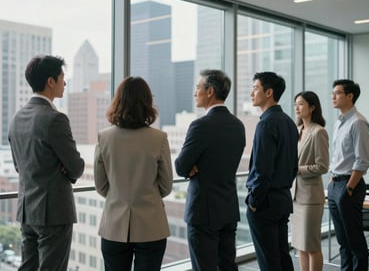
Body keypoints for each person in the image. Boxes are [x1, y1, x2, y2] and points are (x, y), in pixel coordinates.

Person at [8, 55, 85, 270]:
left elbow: (18, 165)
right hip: (53, 212)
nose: (65, 83)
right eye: (62, 77)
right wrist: (65, 171)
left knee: (28, 267)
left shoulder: (17, 117)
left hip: (26, 210)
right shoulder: (55, 118)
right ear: (50, 81)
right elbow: (76, 167)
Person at [94, 76, 173, 271]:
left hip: (114, 225)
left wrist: (118, 196)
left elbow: (101, 185)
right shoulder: (159, 138)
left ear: (117, 101)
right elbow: (166, 185)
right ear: (147, 103)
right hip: (151, 225)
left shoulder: (104, 137)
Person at [175, 69, 246, 271]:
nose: (195, 92)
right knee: (227, 266)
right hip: (228, 208)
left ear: (210, 91)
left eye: (198, 87)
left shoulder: (201, 125)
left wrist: (192, 166)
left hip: (203, 212)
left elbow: (181, 166)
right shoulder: (238, 125)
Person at [245, 71, 298, 271]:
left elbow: (262, 170)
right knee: (282, 257)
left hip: (265, 203)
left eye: (255, 88)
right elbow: (293, 166)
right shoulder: (289, 123)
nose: (252, 93)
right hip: (282, 198)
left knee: (268, 261)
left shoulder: (266, 124)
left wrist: (254, 201)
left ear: (269, 92)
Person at [328, 79, 369, 271]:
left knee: (354, 240)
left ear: (350, 96)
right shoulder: (339, 123)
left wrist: (349, 187)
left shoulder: (358, 123)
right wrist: (332, 181)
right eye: (333, 93)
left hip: (349, 185)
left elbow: (362, 160)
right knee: (342, 240)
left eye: (337, 93)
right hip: (335, 184)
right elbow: (338, 156)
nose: (333, 96)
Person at [290, 91, 329, 271]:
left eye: (301, 104)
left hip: (311, 198)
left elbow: (322, 166)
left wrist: (299, 169)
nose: (297, 107)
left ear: (312, 107)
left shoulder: (318, 132)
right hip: (296, 197)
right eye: (296, 103)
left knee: (312, 246)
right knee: (300, 246)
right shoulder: (297, 131)